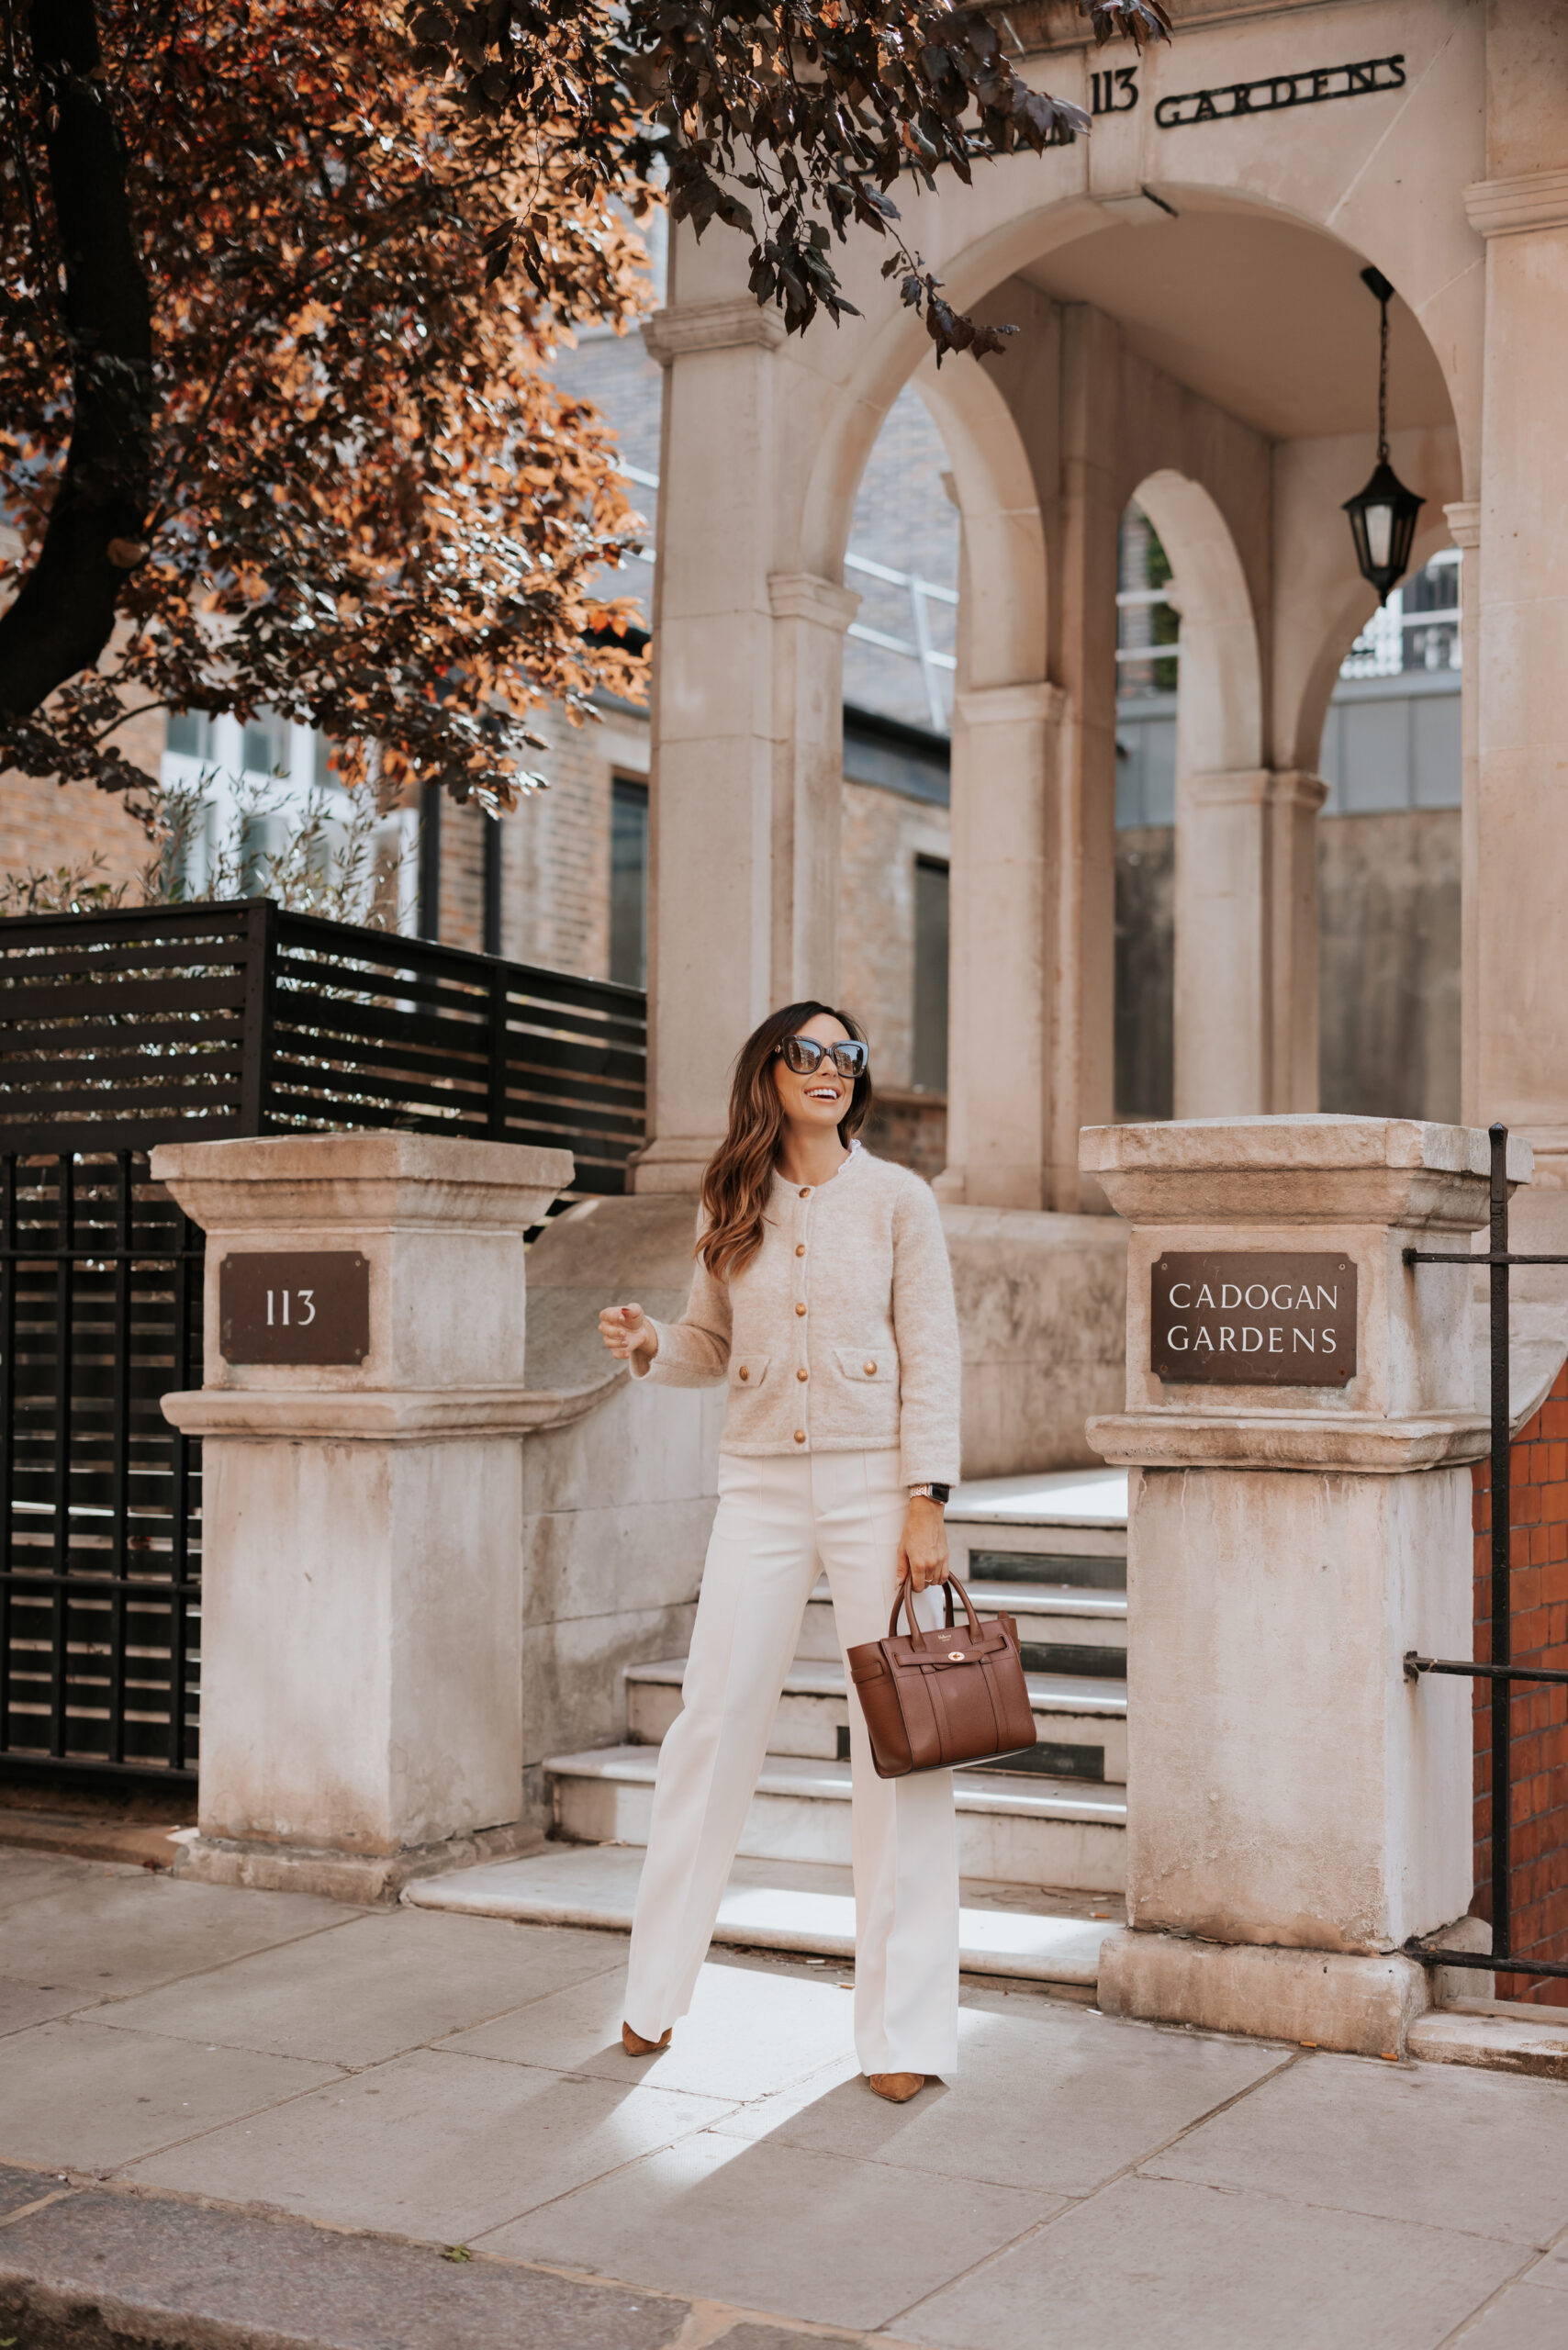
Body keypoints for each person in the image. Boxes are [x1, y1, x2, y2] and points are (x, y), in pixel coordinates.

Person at [598, 1000, 962, 2102]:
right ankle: (651, 1993)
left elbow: (931, 1353)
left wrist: (926, 1500)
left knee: (900, 1750)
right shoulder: (732, 1196)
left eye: (844, 1054)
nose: (828, 1068)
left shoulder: (900, 1199)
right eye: (805, 1052)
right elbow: (711, 1339)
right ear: (768, 1070)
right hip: (756, 1487)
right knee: (708, 1727)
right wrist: (657, 1346)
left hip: (875, 1486)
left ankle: (901, 2034)